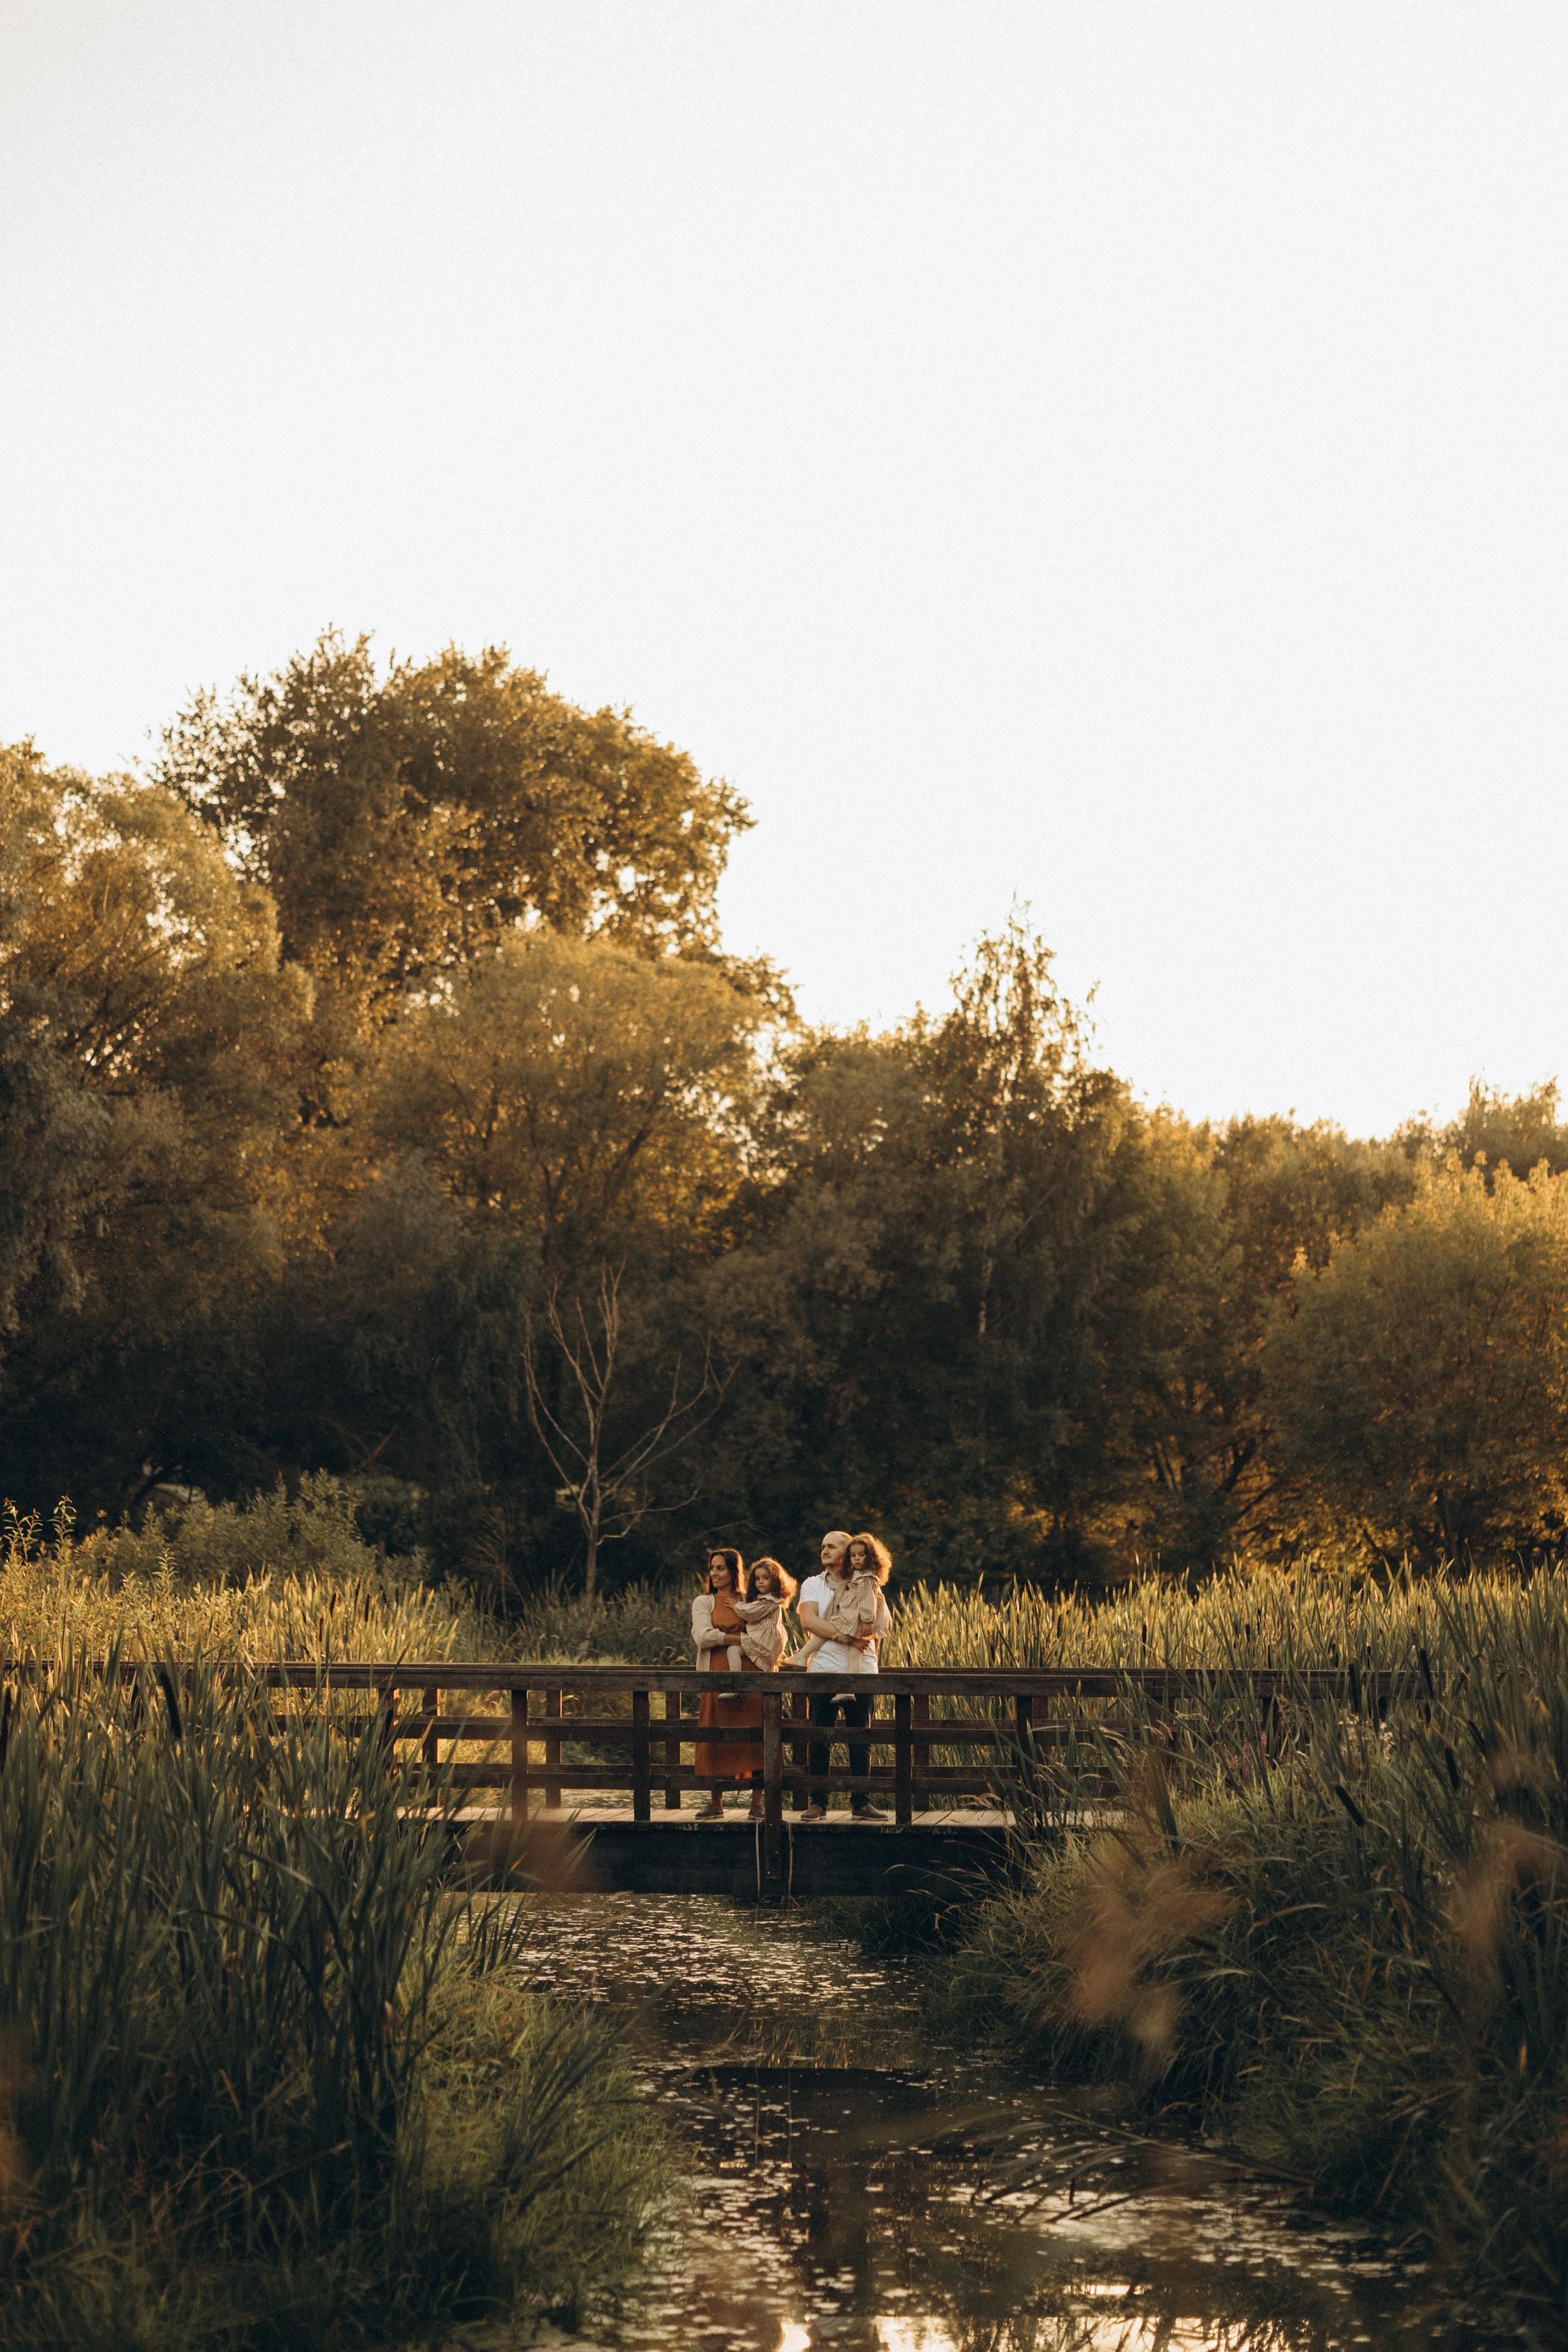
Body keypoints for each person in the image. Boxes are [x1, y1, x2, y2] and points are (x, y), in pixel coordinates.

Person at [794, 1529, 893, 1819]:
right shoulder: (813, 1584)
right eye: (822, 1546)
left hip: (860, 1668)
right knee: (820, 1737)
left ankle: (861, 1801)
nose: (824, 1551)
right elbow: (808, 1621)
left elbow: (880, 1621)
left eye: (832, 1547)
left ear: (848, 1552)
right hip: (823, 1669)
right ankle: (818, 1802)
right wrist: (849, 1636)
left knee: (860, 1737)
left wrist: (861, 1631)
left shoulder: (865, 1581)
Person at [691, 1548, 767, 1819]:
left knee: (756, 1735)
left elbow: (768, 1631)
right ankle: (716, 1803)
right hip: (717, 1672)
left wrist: (739, 1640)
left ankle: (757, 1804)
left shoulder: (749, 1599)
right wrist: (740, 1639)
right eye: (712, 1568)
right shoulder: (704, 1602)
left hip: (752, 1672)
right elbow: (703, 1637)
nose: (714, 1573)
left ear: (734, 1571)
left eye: (720, 1568)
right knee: (716, 1734)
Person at [729, 1555, 795, 1670]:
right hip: (767, 1642)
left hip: (764, 1643)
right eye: (757, 1579)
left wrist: (736, 1606)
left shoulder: (769, 1601)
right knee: (768, 1668)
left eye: (766, 1578)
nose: (761, 1582)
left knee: (733, 1650)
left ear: (775, 1580)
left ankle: (735, 1680)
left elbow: (750, 1612)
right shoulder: (769, 1599)